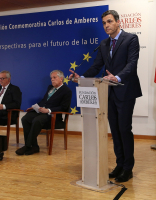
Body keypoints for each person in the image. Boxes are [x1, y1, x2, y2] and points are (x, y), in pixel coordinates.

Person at [69, 10, 142, 182]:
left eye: (109, 21)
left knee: (124, 129)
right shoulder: (103, 44)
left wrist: (116, 77)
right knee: (115, 131)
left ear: (118, 22)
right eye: (103, 23)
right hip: (108, 92)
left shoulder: (131, 39)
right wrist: (82, 78)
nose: (106, 25)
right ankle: (119, 164)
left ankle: (128, 168)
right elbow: (96, 66)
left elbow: (132, 64)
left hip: (125, 90)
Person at [16, 70, 72, 156]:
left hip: (53, 116)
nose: (52, 80)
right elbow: (44, 101)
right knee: (25, 118)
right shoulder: (50, 87)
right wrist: (35, 107)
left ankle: (27, 146)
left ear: (61, 78)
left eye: (54, 77)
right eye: (51, 78)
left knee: (37, 120)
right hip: (42, 112)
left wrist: (49, 110)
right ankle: (34, 146)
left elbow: (64, 107)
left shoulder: (66, 91)